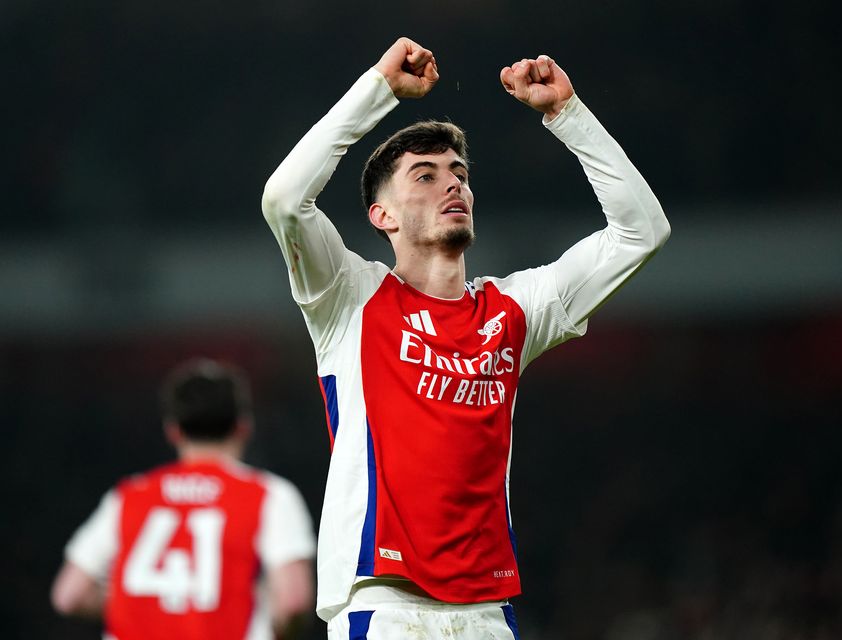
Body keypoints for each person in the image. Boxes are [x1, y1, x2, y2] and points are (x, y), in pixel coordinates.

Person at [261, 36, 670, 639]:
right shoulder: (350, 298)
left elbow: (642, 232)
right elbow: (285, 199)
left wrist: (568, 115)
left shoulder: (514, 310)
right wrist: (378, 89)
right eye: (424, 177)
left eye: (458, 174)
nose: (452, 185)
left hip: (488, 614)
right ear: (383, 216)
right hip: (384, 608)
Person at [51, 358, 317, 640]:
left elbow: (69, 595)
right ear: (243, 426)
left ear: (173, 431)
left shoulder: (129, 496)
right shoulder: (269, 495)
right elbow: (292, 600)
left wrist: (144, 606)